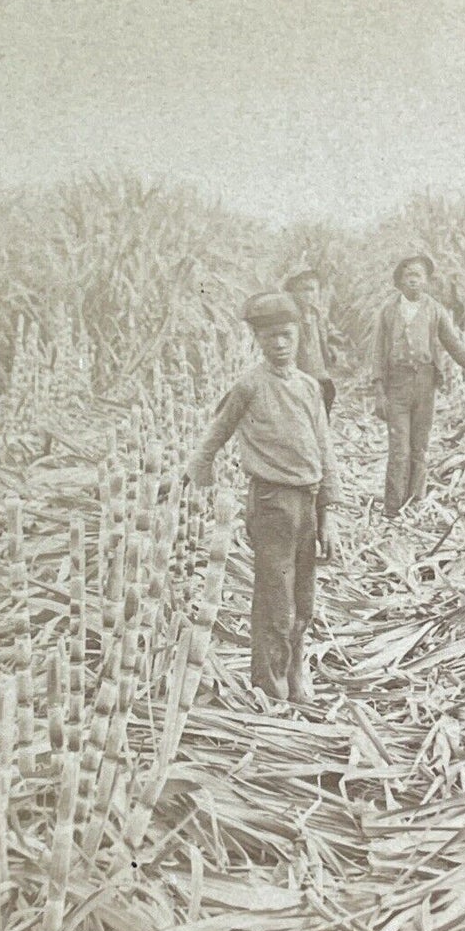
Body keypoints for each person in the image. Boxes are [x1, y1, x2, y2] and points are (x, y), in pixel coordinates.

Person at [185, 292, 338, 705]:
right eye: (270, 336)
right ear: (257, 338)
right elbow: (214, 436)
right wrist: (199, 479)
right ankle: (270, 688)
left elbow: (324, 451)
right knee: (276, 601)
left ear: (299, 334)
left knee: (302, 600)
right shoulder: (249, 386)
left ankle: (294, 674)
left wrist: (330, 513)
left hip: (307, 501)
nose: (280, 344)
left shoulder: (309, 387)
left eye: (287, 335)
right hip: (272, 502)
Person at [371, 254, 465, 517]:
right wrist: (378, 390)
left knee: (419, 446)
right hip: (397, 384)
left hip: (425, 383)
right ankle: (392, 508)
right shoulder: (388, 311)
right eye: (408, 274)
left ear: (426, 280)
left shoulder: (435, 310)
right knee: (399, 449)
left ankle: (415, 501)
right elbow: (377, 352)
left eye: (418, 274)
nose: (413, 279)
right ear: (399, 280)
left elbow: (454, 344)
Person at [283, 269, 336, 416]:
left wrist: (330, 351)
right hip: (300, 371)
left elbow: (322, 339)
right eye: (303, 290)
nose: (309, 295)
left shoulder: (317, 314)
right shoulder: (289, 316)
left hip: (318, 369)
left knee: (328, 393)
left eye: (313, 290)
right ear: (293, 292)